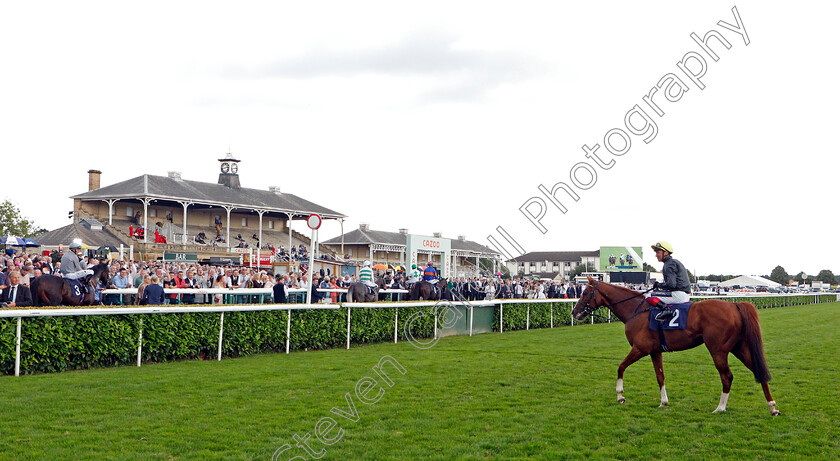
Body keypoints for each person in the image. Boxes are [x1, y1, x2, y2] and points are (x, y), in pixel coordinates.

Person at [647, 241, 691, 321]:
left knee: (649, 296)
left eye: (658, 252)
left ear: (666, 252)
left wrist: (658, 285)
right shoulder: (673, 262)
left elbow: (671, 285)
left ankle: (666, 309)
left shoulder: (669, 264)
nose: (656, 255)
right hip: (683, 293)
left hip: (678, 294)